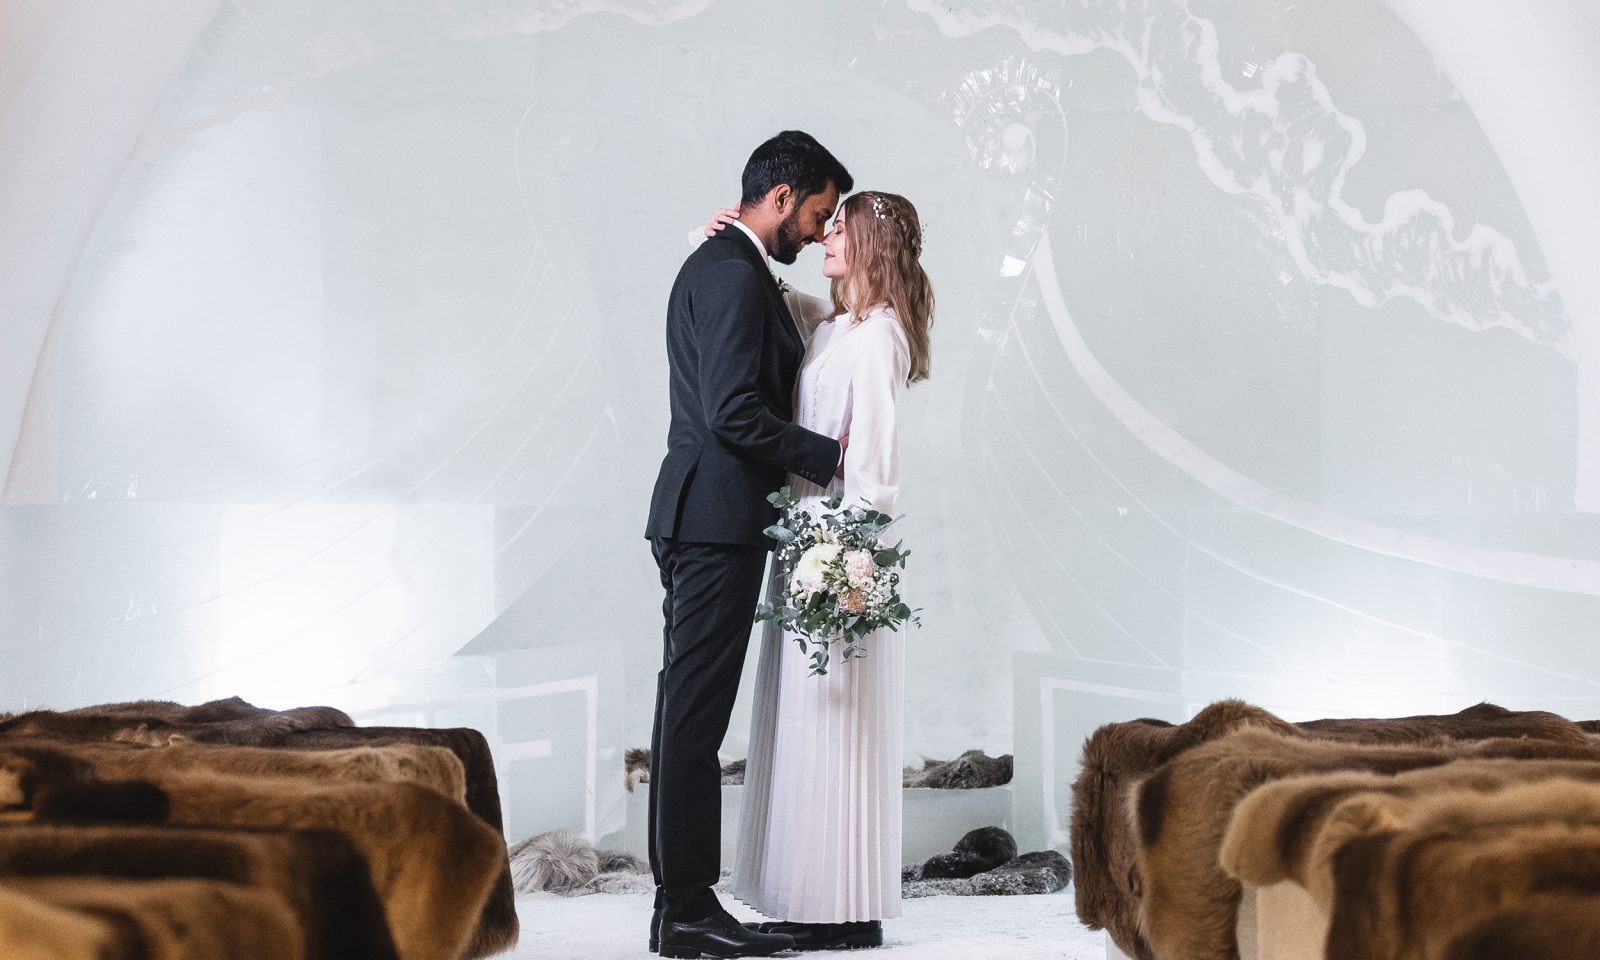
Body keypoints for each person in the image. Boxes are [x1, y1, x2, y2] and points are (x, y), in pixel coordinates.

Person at [644, 130, 854, 960]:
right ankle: (689, 912)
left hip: (709, 519)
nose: (816, 230)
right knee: (693, 727)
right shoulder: (730, 272)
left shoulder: (731, 266)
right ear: (779, 197)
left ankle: (681, 910)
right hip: (713, 522)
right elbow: (733, 412)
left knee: (686, 722)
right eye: (815, 213)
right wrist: (827, 458)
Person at [717, 189, 934, 951]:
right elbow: (786, 293)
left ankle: (849, 910)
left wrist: (847, 563)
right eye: (825, 225)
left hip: (839, 550)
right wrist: (734, 237)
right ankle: (812, 899)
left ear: (873, 243)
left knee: (837, 729)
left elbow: (874, 469)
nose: (824, 237)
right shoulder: (837, 325)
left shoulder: (878, 338)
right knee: (804, 729)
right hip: (801, 536)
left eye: (839, 229)